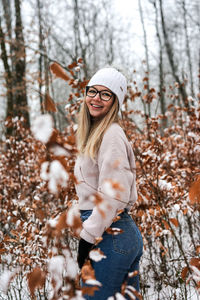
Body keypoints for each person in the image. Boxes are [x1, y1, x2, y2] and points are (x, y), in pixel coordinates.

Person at [74, 67, 143, 300]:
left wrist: (87, 236)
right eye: (92, 91)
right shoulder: (95, 133)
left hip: (111, 235)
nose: (96, 98)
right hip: (114, 233)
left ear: (115, 102)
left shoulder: (111, 133)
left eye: (106, 94)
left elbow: (113, 194)